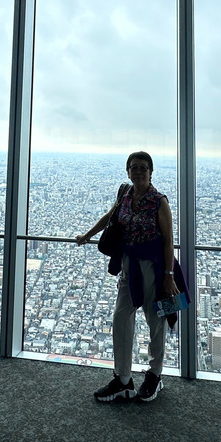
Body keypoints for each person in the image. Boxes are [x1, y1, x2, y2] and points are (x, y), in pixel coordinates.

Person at [75, 151, 180, 403]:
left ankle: (154, 375)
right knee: (121, 318)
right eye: (134, 167)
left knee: (156, 322)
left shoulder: (159, 201)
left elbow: (168, 241)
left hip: (155, 267)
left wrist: (168, 276)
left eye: (144, 167)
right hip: (128, 264)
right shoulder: (124, 193)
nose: (139, 171)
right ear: (127, 171)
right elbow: (110, 217)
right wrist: (87, 235)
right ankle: (123, 379)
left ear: (151, 172)